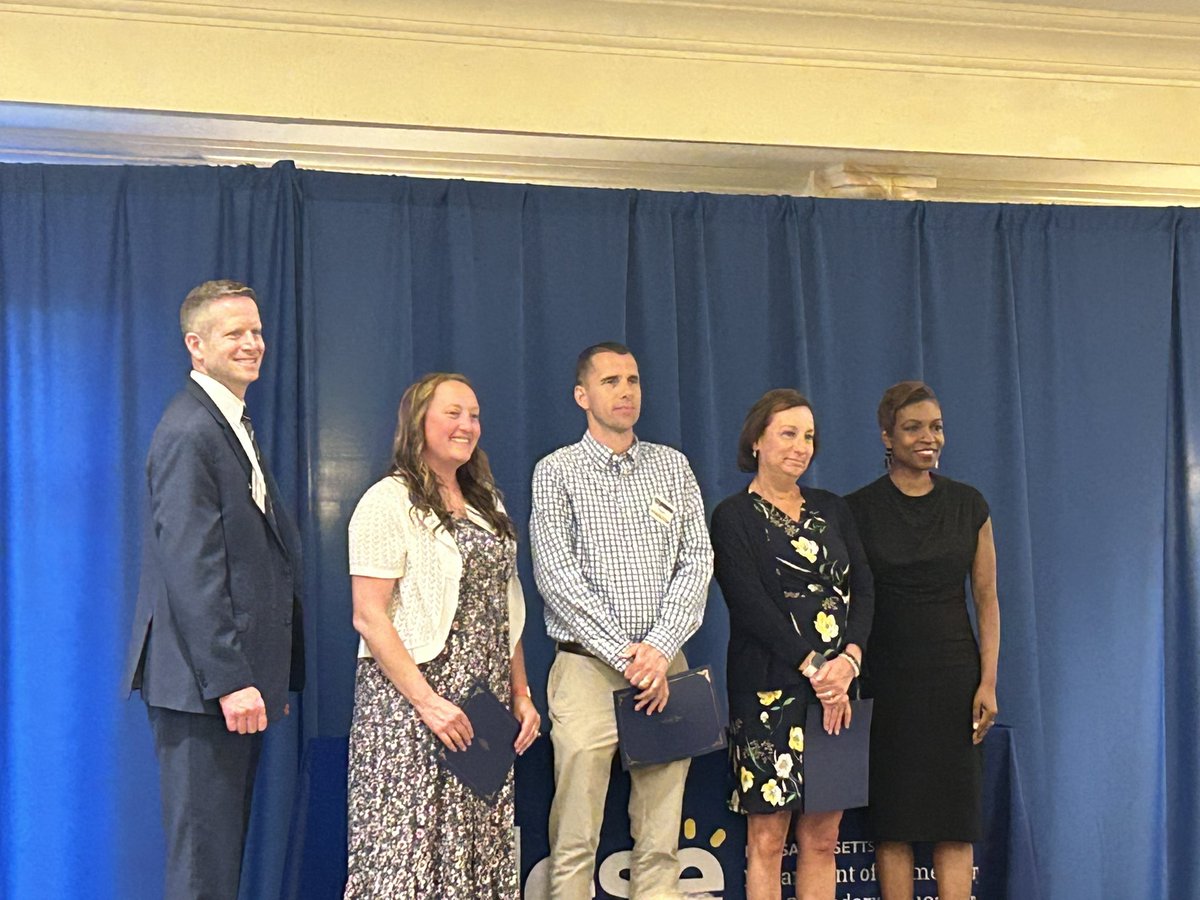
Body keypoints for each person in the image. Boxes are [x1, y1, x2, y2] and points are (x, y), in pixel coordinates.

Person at [124, 279, 304, 899]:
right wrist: (231, 679)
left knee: (217, 864)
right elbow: (191, 567)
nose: (253, 343)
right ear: (196, 346)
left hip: (222, 686)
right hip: (204, 690)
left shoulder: (227, 423)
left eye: (256, 330)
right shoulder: (189, 430)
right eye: (235, 333)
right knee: (203, 870)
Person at [343, 372, 540, 899]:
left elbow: (506, 610)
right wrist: (428, 702)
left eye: (473, 415)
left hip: (484, 709)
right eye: (453, 413)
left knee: (479, 850)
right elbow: (369, 616)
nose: (467, 425)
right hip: (413, 710)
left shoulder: (488, 504)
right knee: (409, 856)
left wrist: (521, 694)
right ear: (418, 422)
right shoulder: (387, 501)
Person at [530, 342, 713, 900]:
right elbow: (556, 574)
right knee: (575, 839)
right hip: (587, 670)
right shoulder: (556, 471)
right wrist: (627, 655)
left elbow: (697, 559)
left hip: (665, 671)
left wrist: (657, 649)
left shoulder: (672, 466)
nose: (626, 390)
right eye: (610, 381)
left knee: (660, 841)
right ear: (582, 396)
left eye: (632, 379)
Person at [710, 389, 874, 900]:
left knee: (824, 838)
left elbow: (863, 588)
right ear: (757, 440)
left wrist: (847, 662)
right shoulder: (734, 516)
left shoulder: (833, 509)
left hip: (838, 694)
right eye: (788, 433)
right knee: (768, 838)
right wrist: (814, 666)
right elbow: (749, 603)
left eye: (808, 436)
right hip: (769, 690)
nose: (801, 446)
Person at [846, 381, 1000, 900]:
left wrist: (989, 681)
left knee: (954, 824)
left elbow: (987, 600)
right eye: (913, 427)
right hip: (886, 682)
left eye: (935, 426)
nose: (928, 437)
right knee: (894, 825)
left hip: (955, 680)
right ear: (887, 435)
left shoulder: (969, 504)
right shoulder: (857, 510)